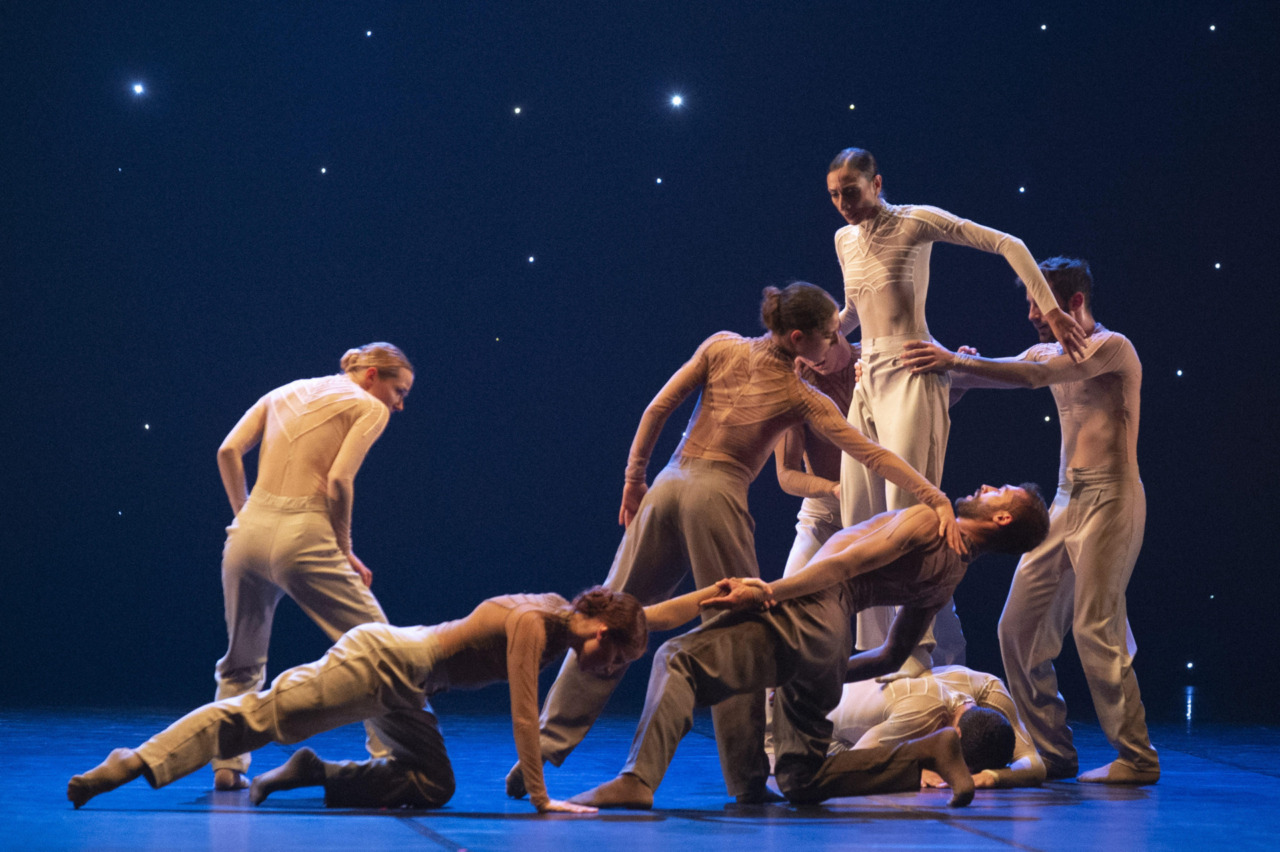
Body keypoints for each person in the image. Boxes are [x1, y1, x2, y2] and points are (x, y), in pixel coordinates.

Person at [512, 282, 964, 805]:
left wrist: (635, 479)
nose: (837, 346)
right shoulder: (800, 395)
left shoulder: (721, 344)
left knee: (611, 610)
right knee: (740, 632)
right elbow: (871, 454)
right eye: (831, 336)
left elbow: (657, 409)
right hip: (714, 496)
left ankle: (540, 748)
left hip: (667, 484)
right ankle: (747, 777)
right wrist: (935, 497)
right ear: (799, 339)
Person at [567, 483, 1050, 810]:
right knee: (801, 779)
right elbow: (887, 655)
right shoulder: (950, 577)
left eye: (996, 492)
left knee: (679, 659)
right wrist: (824, 669)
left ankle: (637, 781)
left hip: (816, 607)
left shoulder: (928, 522)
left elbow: (844, 566)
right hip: (830, 641)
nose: (982, 488)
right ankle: (925, 752)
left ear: (1001, 517)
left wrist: (771, 592)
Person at [66, 584, 730, 813]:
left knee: (432, 783)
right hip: (380, 662)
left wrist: (716, 596)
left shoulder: (567, 613)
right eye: (614, 659)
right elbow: (524, 711)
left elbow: (648, 613)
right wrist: (540, 797)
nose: (610, 671)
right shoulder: (535, 625)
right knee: (256, 720)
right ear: (601, 631)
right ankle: (138, 761)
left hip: (409, 687)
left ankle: (314, 772)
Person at [825, 147, 1086, 673]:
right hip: (866, 376)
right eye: (834, 196)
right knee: (858, 513)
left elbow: (1006, 243)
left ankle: (914, 655)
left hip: (913, 369)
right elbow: (855, 309)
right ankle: (867, 656)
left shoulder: (915, 221)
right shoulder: (843, 239)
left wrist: (1052, 309)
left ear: (877, 182)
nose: (843, 205)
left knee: (906, 514)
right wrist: (818, 343)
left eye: (851, 192)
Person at [900, 256, 1159, 784]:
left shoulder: (1113, 349)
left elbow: (1032, 374)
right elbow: (1012, 371)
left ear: (1075, 303)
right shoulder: (1047, 349)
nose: (1033, 316)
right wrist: (955, 369)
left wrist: (958, 360)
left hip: (1113, 498)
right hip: (1065, 501)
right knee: (1016, 628)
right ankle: (1055, 751)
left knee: (1095, 626)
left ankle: (1137, 756)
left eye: (1040, 305)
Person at [210, 342, 414, 790]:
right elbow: (339, 481)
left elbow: (227, 451)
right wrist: (344, 549)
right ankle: (392, 759)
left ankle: (226, 766)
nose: (399, 405)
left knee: (241, 661)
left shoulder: (284, 390)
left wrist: (244, 514)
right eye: (399, 392)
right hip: (304, 535)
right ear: (372, 376)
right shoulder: (368, 406)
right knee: (382, 650)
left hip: (246, 538)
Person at [828, 665, 1045, 789]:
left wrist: (992, 776)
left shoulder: (990, 689)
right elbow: (846, 767)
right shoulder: (921, 715)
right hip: (822, 729)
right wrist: (913, 773)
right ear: (956, 734)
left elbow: (1036, 766)